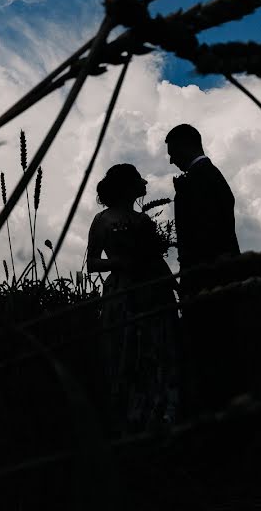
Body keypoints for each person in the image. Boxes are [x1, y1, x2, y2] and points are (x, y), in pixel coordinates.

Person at [86, 163, 179, 433]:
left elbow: (156, 260)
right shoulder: (102, 220)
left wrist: (173, 285)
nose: (145, 184)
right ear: (127, 185)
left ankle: (157, 414)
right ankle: (125, 418)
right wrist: (119, 262)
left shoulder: (144, 220)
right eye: (139, 179)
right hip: (123, 295)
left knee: (155, 354)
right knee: (125, 354)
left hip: (153, 293)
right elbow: (92, 263)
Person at [165, 123, 241, 416]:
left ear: (185, 146)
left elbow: (205, 234)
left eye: (172, 153)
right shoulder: (209, 177)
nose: (171, 161)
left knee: (211, 348)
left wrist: (191, 278)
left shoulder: (200, 180)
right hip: (215, 276)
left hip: (208, 280)